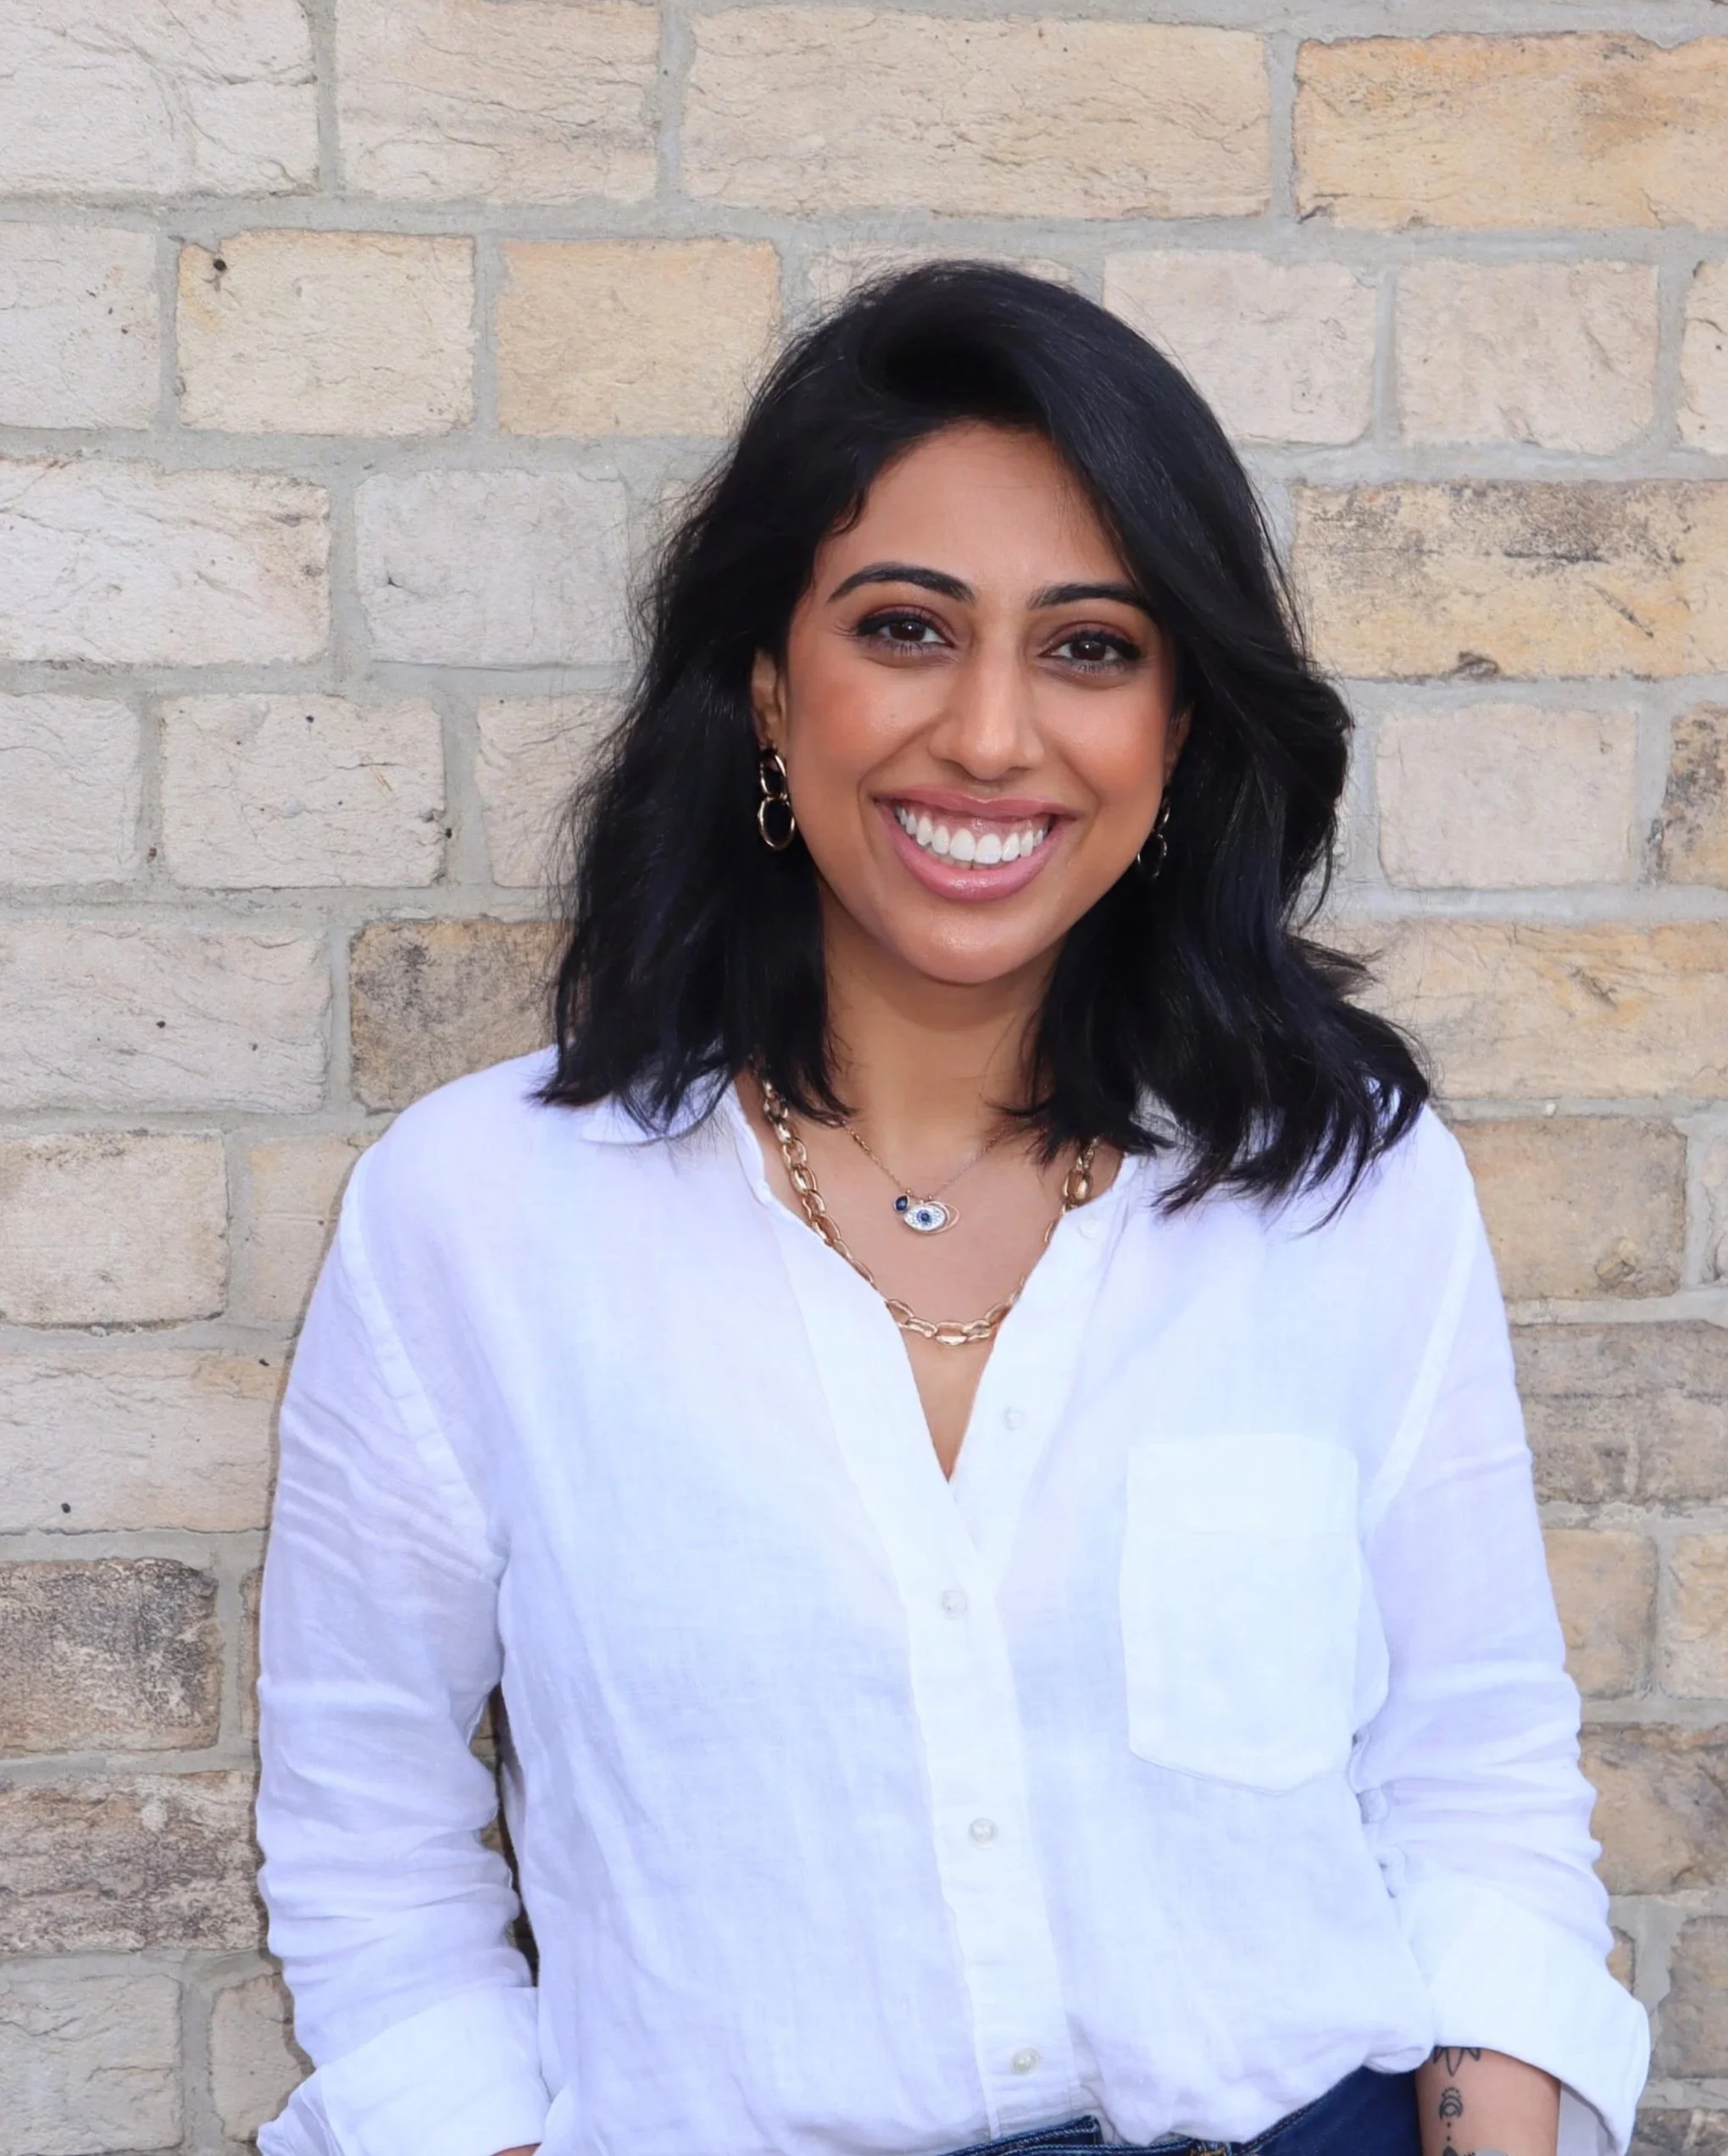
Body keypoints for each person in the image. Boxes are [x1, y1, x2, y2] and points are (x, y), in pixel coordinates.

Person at [253, 263, 1648, 2156]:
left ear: (1176, 733)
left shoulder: (1341, 1181)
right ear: (765, 683)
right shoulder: (481, 1220)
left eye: (1089, 647)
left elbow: (1473, 1763)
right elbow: (370, 1831)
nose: (992, 737)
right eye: (907, 629)